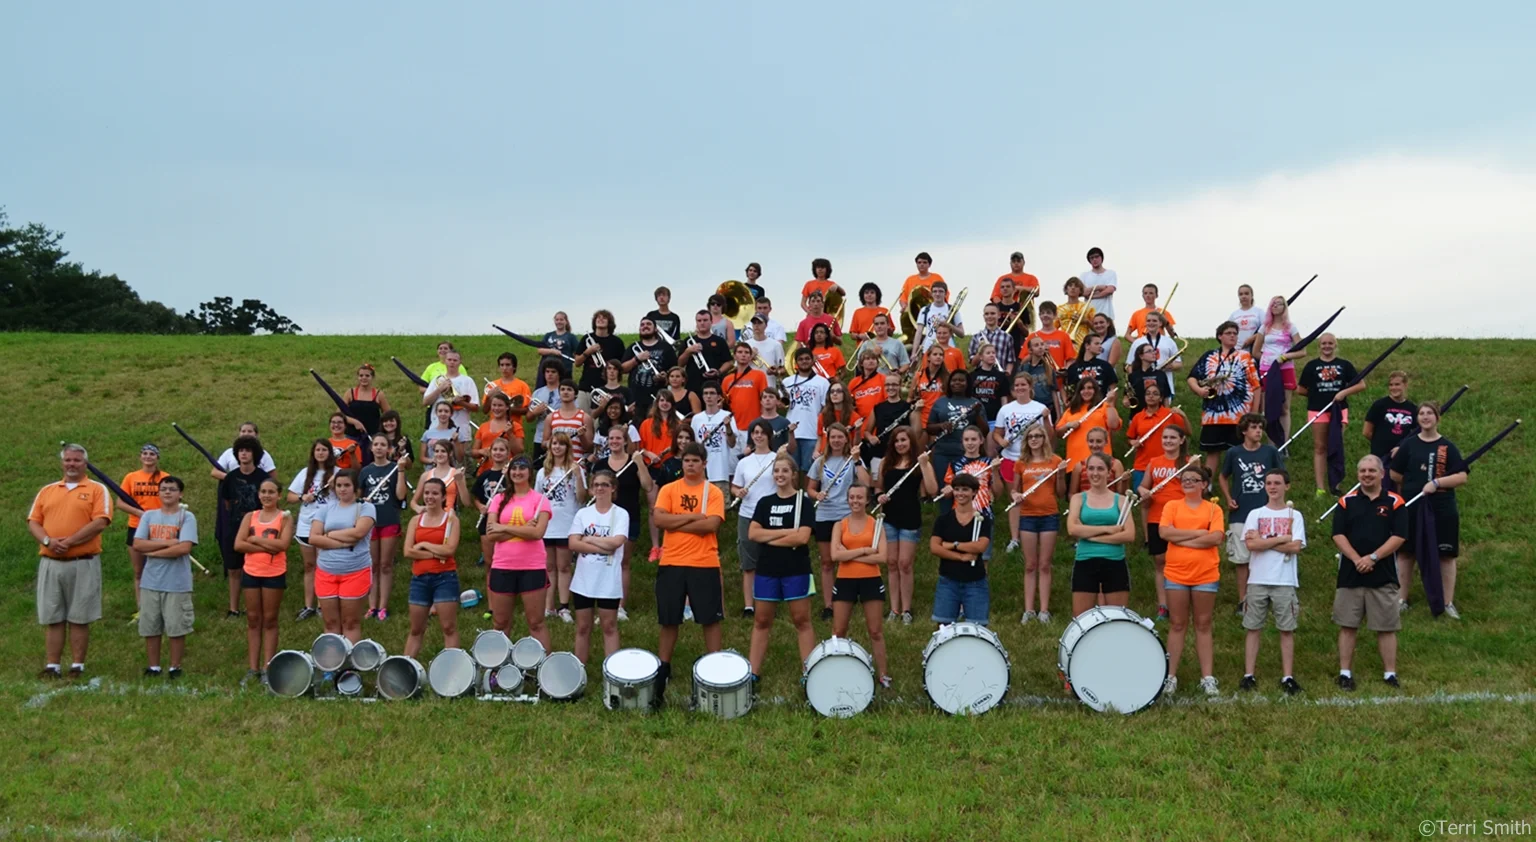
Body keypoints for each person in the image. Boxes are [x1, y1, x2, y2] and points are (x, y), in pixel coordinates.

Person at [651, 444, 727, 707]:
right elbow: (659, 520)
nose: (690, 465)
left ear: (704, 463)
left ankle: (715, 667)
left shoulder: (713, 492)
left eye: (695, 460)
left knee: (710, 619)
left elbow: (711, 525)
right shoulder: (669, 489)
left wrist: (677, 519)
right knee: (669, 619)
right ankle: (663, 669)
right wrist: (693, 516)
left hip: (704, 562)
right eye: (686, 461)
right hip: (672, 561)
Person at [28, 445, 113, 679]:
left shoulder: (97, 489)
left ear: (85, 464)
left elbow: (101, 521)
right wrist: (48, 540)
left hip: (82, 561)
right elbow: (34, 521)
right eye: (68, 460)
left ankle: (77, 666)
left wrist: (71, 541)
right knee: (53, 615)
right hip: (51, 561)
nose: (72, 464)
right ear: (62, 463)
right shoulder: (48, 490)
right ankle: (52, 665)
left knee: (79, 615)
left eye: (76, 460)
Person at [1332, 455, 1408, 690]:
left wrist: (1373, 557)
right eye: (1363, 471)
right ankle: (1345, 673)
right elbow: (1338, 534)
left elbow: (1399, 536)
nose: (1367, 474)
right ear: (1358, 474)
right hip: (1350, 574)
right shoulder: (1346, 501)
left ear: (1382, 474)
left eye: (1372, 471)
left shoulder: (1395, 501)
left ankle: (1390, 674)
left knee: (1386, 627)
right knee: (1347, 625)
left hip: (1383, 574)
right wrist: (1356, 559)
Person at [1389, 402, 1469, 617]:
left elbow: (1462, 477)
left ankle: (1447, 602)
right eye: (1421, 414)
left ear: (1437, 418)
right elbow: (1394, 474)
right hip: (1412, 506)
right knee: (1406, 552)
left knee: (1446, 554)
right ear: (1417, 419)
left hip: (1442, 507)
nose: (1425, 417)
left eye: (1429, 413)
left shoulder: (1447, 447)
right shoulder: (1409, 445)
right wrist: (1414, 482)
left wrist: (1437, 483)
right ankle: (1401, 599)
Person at [746, 456, 818, 680]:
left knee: (801, 620)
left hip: (795, 569)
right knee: (762, 621)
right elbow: (753, 534)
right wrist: (786, 534)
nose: (780, 475)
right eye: (776, 471)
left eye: (785, 471)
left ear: (793, 474)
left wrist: (769, 537)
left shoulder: (803, 502)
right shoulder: (765, 502)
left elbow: (803, 538)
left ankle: (809, 671)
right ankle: (753, 672)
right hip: (767, 569)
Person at [1159, 465, 1226, 697]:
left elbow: (1216, 537)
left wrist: (1182, 538)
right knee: (1177, 624)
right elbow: (1165, 533)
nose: (1187, 482)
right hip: (1176, 573)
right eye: (1184, 479)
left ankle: (1207, 677)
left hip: (1205, 573)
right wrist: (1198, 534)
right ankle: (1169, 676)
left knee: (1203, 624)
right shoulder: (1172, 506)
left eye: (1193, 479)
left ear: (1203, 485)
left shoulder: (1213, 509)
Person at [1240, 470, 1307, 694]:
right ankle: (1249, 675)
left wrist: (1264, 541)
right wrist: (1280, 539)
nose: (1272, 487)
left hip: (1284, 580)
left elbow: (1296, 547)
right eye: (1268, 483)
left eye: (1277, 483)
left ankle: (1287, 676)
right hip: (1257, 578)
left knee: (1286, 629)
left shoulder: (1294, 515)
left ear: (1287, 486)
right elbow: (1251, 546)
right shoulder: (1255, 514)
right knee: (1253, 628)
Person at [126, 475, 195, 678]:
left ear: (180, 494)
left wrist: (153, 552)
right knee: (151, 626)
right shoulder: (148, 516)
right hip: (151, 581)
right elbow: (138, 544)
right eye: (164, 488)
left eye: (172, 489)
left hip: (177, 582)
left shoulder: (186, 517)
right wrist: (167, 543)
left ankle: (175, 666)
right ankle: (154, 666)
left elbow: (183, 548)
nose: (167, 492)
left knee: (176, 627)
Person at [485, 455, 554, 649]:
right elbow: (491, 534)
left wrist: (504, 528)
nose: (517, 472)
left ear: (529, 473)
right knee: (500, 623)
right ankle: (498, 668)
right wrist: (524, 529)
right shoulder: (498, 499)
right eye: (514, 469)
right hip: (503, 565)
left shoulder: (540, 500)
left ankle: (543, 669)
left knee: (536, 623)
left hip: (532, 567)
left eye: (522, 469)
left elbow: (538, 533)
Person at [1219, 414, 1284, 614]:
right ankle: (1243, 600)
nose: (1258, 431)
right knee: (1242, 559)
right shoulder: (1234, 453)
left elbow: (1281, 477)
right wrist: (1229, 498)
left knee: (1267, 556)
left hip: (1267, 512)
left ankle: (1266, 598)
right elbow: (1223, 476)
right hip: (1241, 514)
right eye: (1254, 427)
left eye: (1260, 427)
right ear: (1244, 431)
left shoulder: (1270, 452)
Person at [831, 483, 891, 686]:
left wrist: (848, 555)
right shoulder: (840, 525)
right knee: (839, 630)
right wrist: (865, 551)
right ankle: (834, 670)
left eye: (859, 497)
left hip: (870, 580)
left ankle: (883, 674)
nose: (855, 501)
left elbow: (882, 557)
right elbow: (834, 555)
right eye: (851, 497)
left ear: (867, 500)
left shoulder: (876, 525)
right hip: (845, 580)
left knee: (875, 630)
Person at [233, 478, 292, 685]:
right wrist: (269, 546)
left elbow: (283, 545)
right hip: (251, 571)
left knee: (269, 619)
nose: (267, 495)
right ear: (258, 494)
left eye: (271, 492)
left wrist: (256, 540)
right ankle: (253, 668)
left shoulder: (284, 517)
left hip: (273, 572)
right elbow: (239, 544)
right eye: (263, 491)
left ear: (279, 495)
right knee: (253, 619)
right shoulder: (251, 516)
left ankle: (268, 667)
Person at [809, 423, 870, 620]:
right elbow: (810, 488)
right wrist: (816, 494)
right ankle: (829, 605)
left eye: (840, 437)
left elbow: (866, 483)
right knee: (827, 562)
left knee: (848, 558)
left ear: (846, 439)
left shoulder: (852, 460)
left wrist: (858, 461)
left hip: (846, 514)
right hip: (825, 515)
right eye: (832, 437)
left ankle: (848, 597)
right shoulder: (820, 462)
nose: (836, 440)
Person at [1065, 453, 1137, 618]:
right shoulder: (1078, 498)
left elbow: (1129, 534)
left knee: (1117, 619)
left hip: (1114, 562)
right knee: (1082, 619)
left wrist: (1090, 535)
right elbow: (1072, 529)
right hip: (1085, 561)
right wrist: (1109, 529)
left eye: (1100, 468)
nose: (1095, 473)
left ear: (1108, 472)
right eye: (1091, 468)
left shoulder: (1121, 500)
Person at [569, 469, 630, 663]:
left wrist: (588, 539)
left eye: (604, 485)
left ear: (613, 488)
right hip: (583, 580)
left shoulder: (620, 514)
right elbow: (573, 543)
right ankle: (579, 668)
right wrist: (601, 547)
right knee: (583, 627)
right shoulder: (583, 513)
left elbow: (617, 542)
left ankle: (612, 671)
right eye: (596, 485)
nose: (600, 488)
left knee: (609, 625)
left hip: (608, 580)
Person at [308, 471, 376, 644]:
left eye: (347, 485)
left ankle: (348, 665)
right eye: (339, 485)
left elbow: (359, 533)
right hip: (326, 571)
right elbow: (314, 538)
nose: (342, 489)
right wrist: (343, 542)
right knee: (330, 622)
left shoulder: (365, 507)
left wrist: (329, 534)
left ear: (355, 487)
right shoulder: (325, 509)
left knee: (350, 622)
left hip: (355, 570)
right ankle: (332, 664)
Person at [876, 430, 936, 625]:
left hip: (910, 518)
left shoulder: (919, 463)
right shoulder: (886, 462)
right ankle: (894, 608)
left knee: (905, 564)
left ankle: (907, 610)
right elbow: (879, 488)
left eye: (904, 440)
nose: (900, 444)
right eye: (897, 441)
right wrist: (880, 496)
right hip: (889, 518)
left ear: (911, 442)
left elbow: (933, 489)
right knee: (892, 563)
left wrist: (926, 464)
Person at [1189, 321, 1262, 475]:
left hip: (1239, 416)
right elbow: (1192, 378)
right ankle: (1207, 487)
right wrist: (1199, 390)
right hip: (1213, 415)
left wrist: (1253, 414)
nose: (1233, 336)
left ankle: (1239, 486)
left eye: (1235, 334)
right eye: (1229, 333)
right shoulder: (1209, 356)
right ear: (1220, 336)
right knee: (1212, 451)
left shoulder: (1245, 356)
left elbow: (1256, 386)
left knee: (1239, 453)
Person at [1297, 333, 1365, 495]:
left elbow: (1361, 385)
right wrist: (1316, 395)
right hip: (1317, 410)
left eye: (1330, 343)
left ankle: (1336, 484)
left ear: (1335, 345)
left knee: (1335, 445)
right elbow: (1300, 389)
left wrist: (1343, 393)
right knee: (1320, 447)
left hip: (1339, 410)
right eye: (1323, 343)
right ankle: (1320, 487)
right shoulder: (1311, 366)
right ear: (1319, 346)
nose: (1327, 346)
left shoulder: (1345, 365)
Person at [401, 478, 461, 659]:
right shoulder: (415, 520)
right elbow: (408, 551)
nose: (430, 497)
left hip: (445, 578)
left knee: (448, 627)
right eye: (427, 493)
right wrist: (436, 554)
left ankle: (452, 668)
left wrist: (424, 544)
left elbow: (450, 550)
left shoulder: (451, 520)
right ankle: (406, 667)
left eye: (435, 493)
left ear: (443, 497)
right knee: (416, 628)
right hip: (419, 579)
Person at [1139, 425, 1192, 620]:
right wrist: (1143, 492)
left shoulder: (1188, 462)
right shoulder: (1154, 462)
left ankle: (1181, 601)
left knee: (1180, 561)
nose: (1168, 441)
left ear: (1181, 440)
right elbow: (1143, 486)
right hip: (1157, 517)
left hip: (1182, 518)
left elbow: (1198, 489)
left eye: (1172, 437)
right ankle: (1163, 605)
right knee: (1160, 562)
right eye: (1165, 438)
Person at [1013, 426, 1066, 622]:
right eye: (1031, 436)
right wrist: (1016, 495)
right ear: (1026, 440)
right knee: (1030, 565)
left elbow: (1061, 493)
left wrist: (1060, 475)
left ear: (1044, 439)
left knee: (1044, 564)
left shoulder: (1055, 461)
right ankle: (1029, 609)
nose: (1034, 439)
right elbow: (1014, 490)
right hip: (1027, 515)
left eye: (1038, 436)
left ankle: (1044, 610)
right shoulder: (1021, 463)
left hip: (1049, 515)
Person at [731, 420, 783, 617]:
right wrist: (739, 492)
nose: (758, 436)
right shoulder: (744, 462)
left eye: (762, 432)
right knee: (749, 563)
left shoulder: (777, 458)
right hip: (747, 514)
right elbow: (735, 486)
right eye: (755, 432)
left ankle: (770, 602)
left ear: (769, 435)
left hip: (771, 515)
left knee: (770, 561)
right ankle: (749, 606)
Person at [598, 427, 649, 620]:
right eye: (611, 438)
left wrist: (640, 464)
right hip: (603, 518)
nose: (614, 441)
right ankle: (604, 605)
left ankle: (620, 606)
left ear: (625, 441)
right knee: (604, 562)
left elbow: (647, 486)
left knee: (623, 562)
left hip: (629, 517)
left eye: (618, 438)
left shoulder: (634, 462)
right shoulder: (602, 464)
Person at [994, 372, 1051, 548]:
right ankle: (1015, 538)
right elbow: (998, 433)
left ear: (1030, 387)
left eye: (1023, 385)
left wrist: (1047, 418)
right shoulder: (1006, 409)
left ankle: (1038, 531)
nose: (1020, 388)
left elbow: (1049, 434)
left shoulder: (1040, 408)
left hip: (1033, 460)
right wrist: (1001, 441)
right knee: (1015, 498)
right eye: (1016, 385)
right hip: (1011, 458)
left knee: (1035, 497)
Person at [216, 436, 269, 618]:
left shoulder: (263, 478)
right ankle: (234, 608)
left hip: (258, 529)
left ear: (255, 453)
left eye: (247, 450)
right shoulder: (231, 477)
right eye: (241, 450)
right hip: (235, 527)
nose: (244, 453)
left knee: (257, 568)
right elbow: (228, 503)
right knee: (234, 569)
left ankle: (257, 606)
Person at [929, 473, 993, 626]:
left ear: (974, 492)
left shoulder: (983, 520)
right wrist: (961, 557)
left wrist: (952, 544)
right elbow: (934, 547)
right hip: (948, 581)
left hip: (975, 582)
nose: (960, 493)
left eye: (965, 489)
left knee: (977, 629)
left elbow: (980, 546)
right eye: (957, 489)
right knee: (944, 628)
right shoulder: (943, 519)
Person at [537, 432, 587, 623]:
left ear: (567, 447)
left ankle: (564, 606)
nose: (557, 447)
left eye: (561, 444)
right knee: (549, 566)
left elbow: (582, 498)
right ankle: (548, 606)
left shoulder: (575, 469)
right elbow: (538, 498)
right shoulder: (543, 472)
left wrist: (577, 476)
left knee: (564, 566)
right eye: (554, 444)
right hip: (548, 525)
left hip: (567, 524)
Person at [360, 435, 410, 621]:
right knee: (372, 565)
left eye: (383, 445)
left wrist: (402, 471)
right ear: (371, 448)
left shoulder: (394, 469)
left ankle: (383, 606)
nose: (379, 448)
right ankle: (371, 606)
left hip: (389, 519)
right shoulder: (365, 471)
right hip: (370, 522)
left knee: (386, 565)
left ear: (389, 449)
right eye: (376, 445)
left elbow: (400, 495)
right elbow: (358, 497)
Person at [120, 443, 166, 615]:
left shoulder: (164, 477)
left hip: (159, 528)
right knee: (139, 570)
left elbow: (171, 500)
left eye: (152, 454)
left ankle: (159, 606)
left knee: (159, 569)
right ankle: (142, 609)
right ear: (140, 457)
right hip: (136, 527)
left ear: (157, 458)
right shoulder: (131, 477)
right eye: (145, 453)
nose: (148, 456)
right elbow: (120, 503)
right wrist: (140, 513)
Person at [1253, 296, 1307, 440]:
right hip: (1267, 370)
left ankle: (1283, 442)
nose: (1276, 306)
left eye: (1280, 304)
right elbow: (1255, 351)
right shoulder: (1264, 327)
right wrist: (1266, 360)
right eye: (1273, 304)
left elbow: (1302, 351)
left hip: (1285, 369)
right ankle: (1272, 441)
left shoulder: (1290, 327)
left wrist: (1286, 357)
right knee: (1268, 407)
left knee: (1284, 407)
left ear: (1284, 307)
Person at [1124, 382, 1189, 493]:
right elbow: (1129, 438)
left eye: (1155, 394)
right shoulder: (1138, 417)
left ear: (1160, 398)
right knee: (1141, 499)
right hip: (1142, 465)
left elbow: (1187, 432)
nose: (1151, 396)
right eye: (1148, 394)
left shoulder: (1169, 414)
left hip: (1165, 465)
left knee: (1164, 496)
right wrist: (1133, 442)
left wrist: (1183, 416)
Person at [422, 350, 478, 460]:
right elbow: (425, 402)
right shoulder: (437, 380)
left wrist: (460, 402)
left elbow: (475, 407)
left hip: (460, 428)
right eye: (449, 360)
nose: (452, 362)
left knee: (461, 462)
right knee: (437, 459)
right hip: (437, 428)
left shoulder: (468, 381)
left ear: (460, 362)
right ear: (445, 362)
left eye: (455, 360)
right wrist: (440, 389)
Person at [1056, 379, 1120, 469]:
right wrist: (1067, 425)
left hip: (1100, 463)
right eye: (1082, 389)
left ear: (1095, 390)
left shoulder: (1104, 406)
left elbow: (1114, 425)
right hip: (1075, 463)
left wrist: (1110, 403)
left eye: (1090, 388)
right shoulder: (1071, 410)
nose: (1086, 391)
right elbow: (1058, 433)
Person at [783, 348, 830, 471]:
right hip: (792, 432)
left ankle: (807, 491)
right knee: (791, 469)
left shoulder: (823, 382)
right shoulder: (787, 381)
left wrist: (820, 425)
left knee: (810, 470)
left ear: (812, 360)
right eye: (801, 359)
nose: (804, 361)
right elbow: (781, 405)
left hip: (812, 432)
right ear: (796, 362)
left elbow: (826, 407)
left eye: (807, 359)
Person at [928, 370, 982, 474]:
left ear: (967, 383)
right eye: (954, 380)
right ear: (949, 383)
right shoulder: (940, 402)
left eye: (961, 380)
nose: (957, 382)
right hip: (943, 453)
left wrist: (977, 414)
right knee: (943, 487)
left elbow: (984, 431)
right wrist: (941, 426)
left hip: (967, 453)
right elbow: (929, 428)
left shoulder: (975, 403)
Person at [1362, 371, 1417, 470]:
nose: (1393, 388)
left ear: (1405, 385)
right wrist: (1380, 442)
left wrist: (1403, 447)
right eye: (1391, 385)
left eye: (1397, 384)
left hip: (1401, 454)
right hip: (1380, 455)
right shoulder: (1379, 405)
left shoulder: (1412, 409)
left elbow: (1416, 433)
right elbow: (1366, 431)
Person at [471, 437, 512, 571]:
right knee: (490, 561)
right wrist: (480, 506)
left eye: (501, 450)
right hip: (487, 521)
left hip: (506, 520)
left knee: (505, 561)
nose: (498, 452)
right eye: (495, 449)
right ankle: (491, 589)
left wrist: (507, 475)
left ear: (507, 453)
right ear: (490, 452)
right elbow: (476, 497)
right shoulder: (484, 475)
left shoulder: (512, 474)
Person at [624, 317, 677, 419]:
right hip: (636, 398)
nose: (645, 326)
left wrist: (665, 376)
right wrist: (637, 359)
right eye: (642, 325)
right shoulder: (633, 347)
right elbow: (623, 369)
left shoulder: (666, 347)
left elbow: (674, 370)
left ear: (656, 329)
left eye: (648, 324)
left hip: (658, 397)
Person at [691, 381, 738, 495]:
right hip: (701, 472)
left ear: (718, 397)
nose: (708, 396)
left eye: (712, 393)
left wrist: (727, 427)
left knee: (721, 508)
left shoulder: (726, 415)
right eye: (706, 393)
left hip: (721, 471)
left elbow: (732, 444)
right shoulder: (697, 419)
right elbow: (694, 446)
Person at [482, 354, 532, 457]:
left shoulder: (522, 385)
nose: (504, 368)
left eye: (508, 365)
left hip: (513, 427)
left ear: (514, 367)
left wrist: (506, 408)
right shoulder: (493, 385)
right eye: (502, 365)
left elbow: (526, 410)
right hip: (494, 427)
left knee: (513, 456)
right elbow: (485, 410)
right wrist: (490, 396)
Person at [722, 342, 768, 437]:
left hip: (753, 427)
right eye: (740, 352)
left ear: (751, 356)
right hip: (732, 427)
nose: (743, 355)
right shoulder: (727, 379)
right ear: (734, 356)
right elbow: (722, 403)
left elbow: (764, 400)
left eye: (747, 352)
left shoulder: (759, 375)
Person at [1125, 311, 1181, 390]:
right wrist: (1135, 381)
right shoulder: (1137, 342)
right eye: (1148, 321)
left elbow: (1179, 364)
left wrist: (1170, 366)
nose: (1151, 323)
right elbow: (1129, 365)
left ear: (1160, 323)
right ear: (1145, 323)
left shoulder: (1169, 342)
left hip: (1165, 385)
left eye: (1154, 321)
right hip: (1142, 386)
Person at [681, 310, 732, 394]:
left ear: (711, 322)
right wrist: (688, 351)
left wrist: (718, 372)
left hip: (714, 384)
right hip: (692, 385)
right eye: (699, 320)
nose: (702, 323)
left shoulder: (719, 341)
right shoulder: (688, 341)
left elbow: (729, 362)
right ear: (696, 322)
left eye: (705, 320)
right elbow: (680, 363)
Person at [543, 378, 591, 463]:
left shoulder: (584, 417)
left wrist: (581, 436)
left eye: (569, 390)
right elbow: (543, 443)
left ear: (575, 394)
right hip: (555, 464)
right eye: (562, 389)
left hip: (576, 464)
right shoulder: (551, 417)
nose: (565, 392)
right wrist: (554, 442)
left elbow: (589, 448)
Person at [213, 422, 279, 482]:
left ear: (256, 434)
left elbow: (273, 478)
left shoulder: (264, 454)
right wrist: (233, 479)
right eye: (243, 431)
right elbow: (215, 472)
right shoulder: (229, 452)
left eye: (250, 431)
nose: (246, 434)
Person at [913, 280, 965, 354]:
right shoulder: (925, 310)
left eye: (941, 291)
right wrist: (914, 353)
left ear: (946, 294)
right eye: (935, 291)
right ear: (931, 294)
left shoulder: (953, 310)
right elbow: (918, 332)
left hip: (948, 349)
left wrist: (949, 325)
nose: (937, 294)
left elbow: (962, 334)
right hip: (928, 349)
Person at [527, 360, 563, 465]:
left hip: (559, 437)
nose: (550, 374)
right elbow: (529, 418)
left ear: (559, 374)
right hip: (540, 437)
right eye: (547, 371)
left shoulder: (564, 391)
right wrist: (535, 412)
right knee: (539, 468)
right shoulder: (538, 393)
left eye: (553, 372)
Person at [472, 393, 518, 474]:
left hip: (506, 472)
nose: (496, 408)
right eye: (494, 405)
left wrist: (510, 434)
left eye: (500, 405)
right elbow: (473, 452)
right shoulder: (483, 426)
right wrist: (481, 452)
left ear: (507, 407)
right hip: (484, 472)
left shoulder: (515, 426)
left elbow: (519, 451)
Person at [1026, 302, 1075, 373]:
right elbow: (1023, 361)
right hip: (1036, 377)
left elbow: (1070, 360)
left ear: (1055, 315)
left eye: (1048, 313)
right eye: (1042, 313)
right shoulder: (1032, 336)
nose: (1045, 315)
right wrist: (1038, 352)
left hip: (1058, 377)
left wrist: (1065, 371)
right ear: (1039, 315)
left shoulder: (1064, 336)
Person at [910, 344, 950, 433]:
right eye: (935, 354)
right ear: (928, 357)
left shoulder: (948, 377)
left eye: (941, 355)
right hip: (922, 415)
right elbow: (910, 397)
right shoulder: (918, 376)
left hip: (939, 417)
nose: (938, 357)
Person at [970, 343, 1008, 434]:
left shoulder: (1001, 376)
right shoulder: (973, 375)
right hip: (977, 418)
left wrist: (1003, 415)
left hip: (994, 417)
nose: (992, 355)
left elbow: (1004, 398)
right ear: (981, 357)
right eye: (988, 353)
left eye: (993, 353)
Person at [344, 363, 391, 436]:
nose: (364, 378)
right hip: (352, 435)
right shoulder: (350, 393)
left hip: (373, 435)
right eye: (361, 375)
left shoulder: (379, 394)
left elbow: (389, 415)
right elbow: (340, 415)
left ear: (372, 377)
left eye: (367, 376)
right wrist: (354, 422)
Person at [1124, 341, 1172, 412]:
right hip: (1138, 415)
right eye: (1149, 351)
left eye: (1153, 351)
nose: (1154, 353)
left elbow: (1166, 397)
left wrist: (1167, 413)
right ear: (1141, 356)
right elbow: (1126, 395)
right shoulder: (1133, 376)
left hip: (1158, 415)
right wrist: (1125, 399)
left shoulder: (1161, 374)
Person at [969, 303, 1015, 376]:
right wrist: (981, 350)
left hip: (1000, 376)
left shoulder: (1007, 337)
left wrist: (1007, 373)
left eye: (993, 313)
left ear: (999, 315)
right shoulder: (976, 337)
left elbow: (1010, 360)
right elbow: (972, 363)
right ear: (983, 316)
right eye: (986, 314)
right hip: (981, 377)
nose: (989, 316)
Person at [1019, 336, 1060, 416]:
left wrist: (1058, 415)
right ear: (1030, 350)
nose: (1041, 347)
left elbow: (1054, 393)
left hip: (1048, 408)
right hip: (1031, 409)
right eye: (1036, 345)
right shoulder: (1024, 368)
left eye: (1042, 344)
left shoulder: (1049, 368)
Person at [744, 315, 786, 388]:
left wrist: (776, 371)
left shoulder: (776, 345)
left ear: (766, 325)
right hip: (749, 386)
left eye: (759, 323)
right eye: (754, 323)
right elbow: (738, 367)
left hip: (768, 386)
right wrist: (750, 357)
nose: (756, 325)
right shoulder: (745, 344)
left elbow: (782, 369)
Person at [1056, 277, 1097, 345]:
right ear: (1066, 289)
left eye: (1076, 286)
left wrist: (1086, 321)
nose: (1073, 288)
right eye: (1070, 285)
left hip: (1082, 344)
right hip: (1064, 343)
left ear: (1081, 290)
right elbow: (1053, 328)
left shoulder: (1088, 308)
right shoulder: (1059, 309)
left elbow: (1097, 329)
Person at [1081, 246, 1118, 321]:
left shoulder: (1110, 273)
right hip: (1089, 316)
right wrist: (1099, 287)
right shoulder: (1084, 275)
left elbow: (1110, 290)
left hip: (1107, 315)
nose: (1094, 259)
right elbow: (1083, 292)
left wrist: (1092, 295)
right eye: (1092, 258)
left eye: (1097, 257)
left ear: (1101, 258)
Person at [1229, 284, 1265, 352]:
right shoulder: (1234, 315)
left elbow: (1266, 329)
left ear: (1251, 296)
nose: (1243, 296)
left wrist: (1252, 338)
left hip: (1254, 349)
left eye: (1246, 293)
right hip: (1237, 350)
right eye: (1241, 294)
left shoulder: (1259, 312)